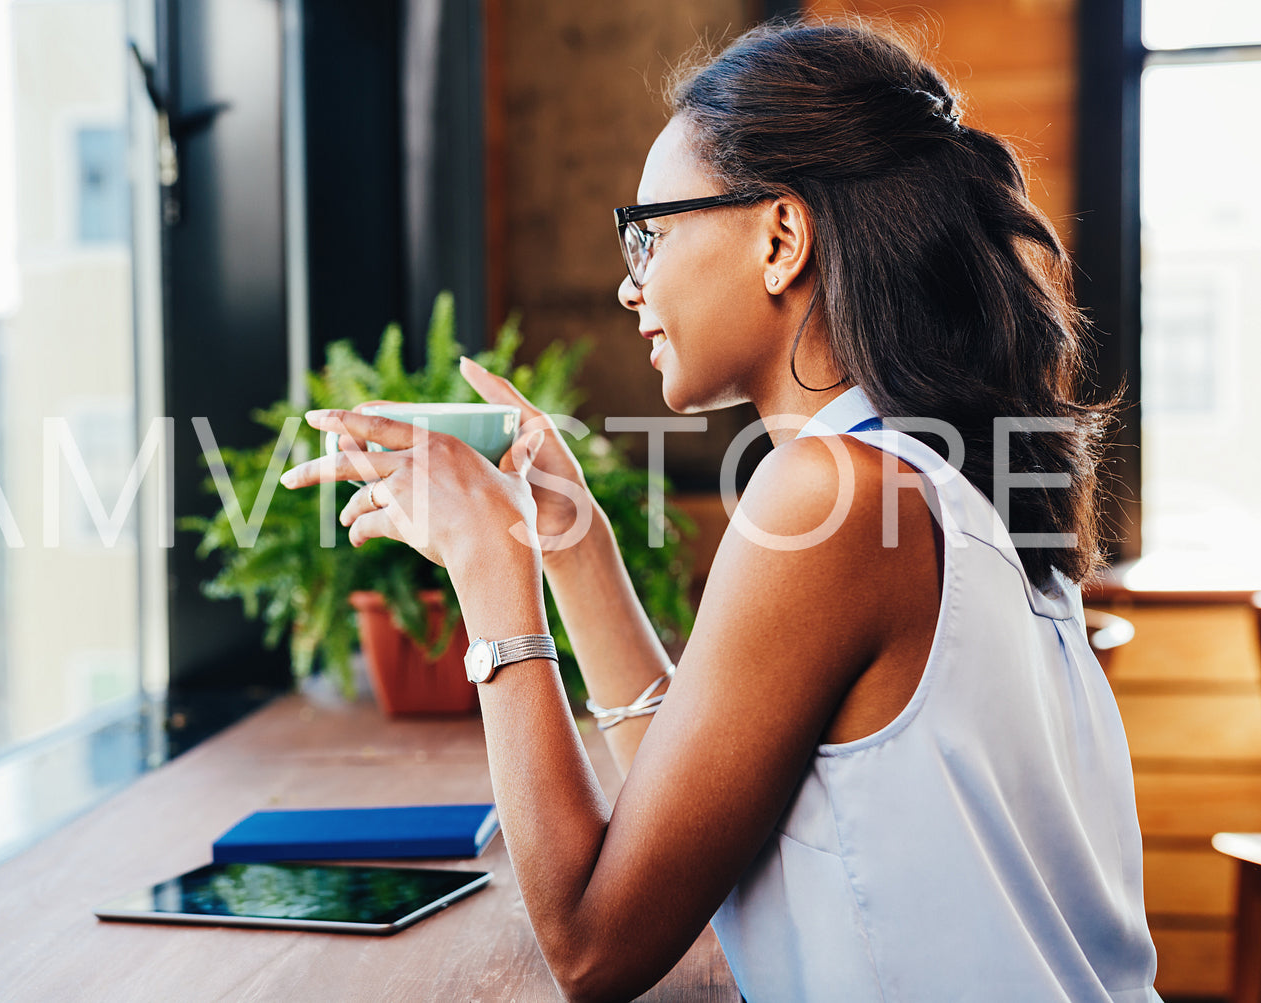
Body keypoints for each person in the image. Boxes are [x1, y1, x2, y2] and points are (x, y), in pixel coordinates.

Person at [280, 18, 1161, 1003]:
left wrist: (490, 569)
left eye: (648, 233)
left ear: (779, 237)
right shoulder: (924, 475)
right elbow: (683, 817)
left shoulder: (836, 497)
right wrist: (574, 544)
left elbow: (591, 943)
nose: (628, 282)